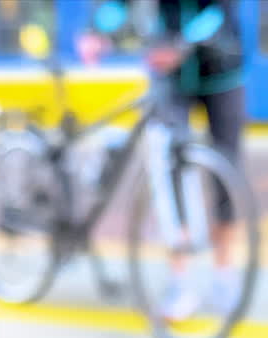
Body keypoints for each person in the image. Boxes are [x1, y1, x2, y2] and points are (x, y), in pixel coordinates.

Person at [78, 0, 245, 320]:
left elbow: (220, 11)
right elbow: (117, 5)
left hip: (221, 69)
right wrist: (96, 31)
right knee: (169, 169)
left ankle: (225, 271)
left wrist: (181, 45)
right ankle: (181, 279)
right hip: (170, 77)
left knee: (227, 173)